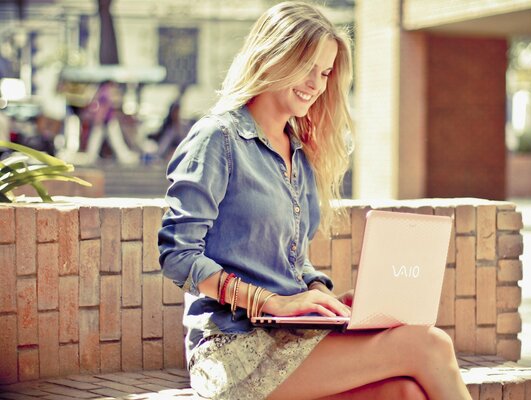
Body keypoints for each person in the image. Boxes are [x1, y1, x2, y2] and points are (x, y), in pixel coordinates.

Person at [158, 2, 471, 399]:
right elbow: (177, 254)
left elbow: (294, 260)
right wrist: (270, 301)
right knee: (430, 344)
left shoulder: (299, 154)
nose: (316, 83)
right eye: (306, 67)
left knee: (404, 393)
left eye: (324, 73)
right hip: (231, 348)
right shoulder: (217, 139)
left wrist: (321, 296)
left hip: (291, 336)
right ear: (273, 57)